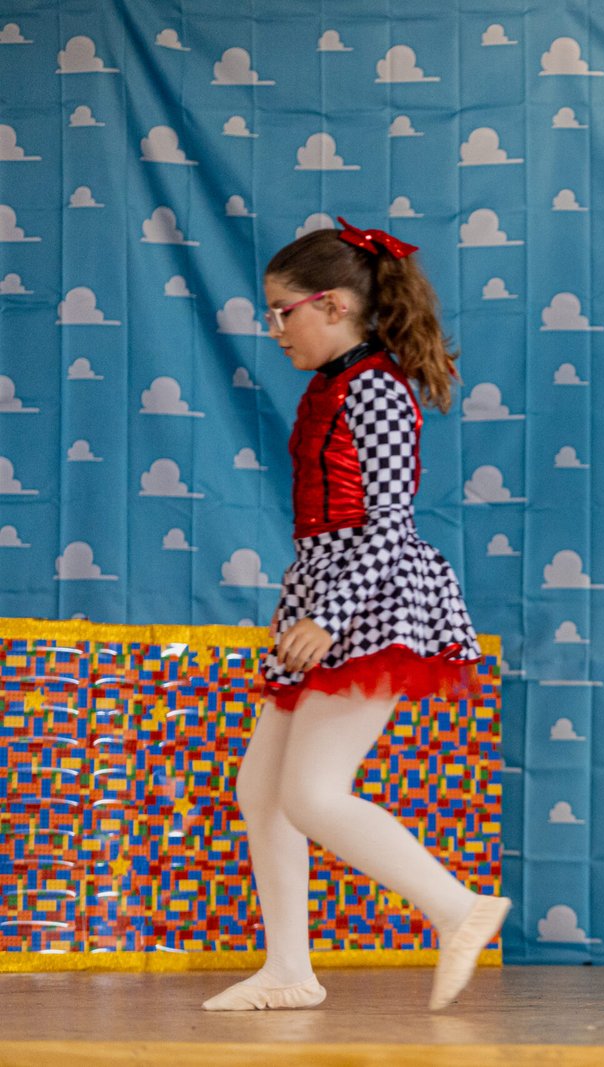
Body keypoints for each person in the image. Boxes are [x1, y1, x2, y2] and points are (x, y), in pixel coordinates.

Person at [202, 219, 509, 1012]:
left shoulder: (375, 387)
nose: (275, 330)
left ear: (333, 304)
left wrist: (331, 615)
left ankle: (458, 909)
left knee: (310, 792)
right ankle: (289, 968)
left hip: (372, 599)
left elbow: (389, 522)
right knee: (261, 789)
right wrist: (311, 604)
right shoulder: (330, 386)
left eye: (283, 312)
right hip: (327, 589)